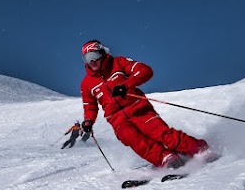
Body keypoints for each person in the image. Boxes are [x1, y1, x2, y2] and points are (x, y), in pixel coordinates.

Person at [80, 40, 209, 169]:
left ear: (102, 53)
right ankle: (165, 158)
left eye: (94, 56)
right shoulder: (87, 83)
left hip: (138, 109)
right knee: (131, 137)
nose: (92, 61)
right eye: (87, 58)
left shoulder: (118, 63)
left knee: (160, 133)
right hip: (117, 119)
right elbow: (90, 106)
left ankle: (199, 149)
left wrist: (127, 85)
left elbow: (145, 70)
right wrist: (88, 121)